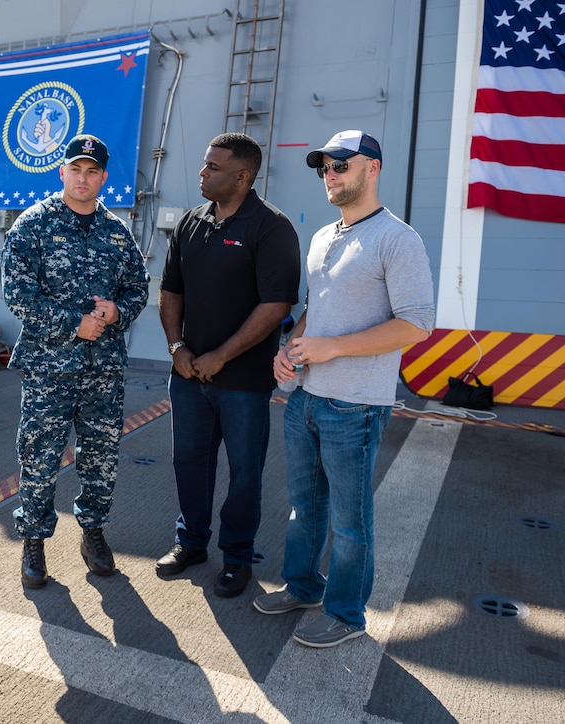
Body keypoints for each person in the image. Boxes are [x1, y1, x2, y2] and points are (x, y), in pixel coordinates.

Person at [252, 130, 434, 648]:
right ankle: (304, 585)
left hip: (355, 405)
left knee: (350, 521)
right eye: (323, 167)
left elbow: (418, 323)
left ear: (371, 168)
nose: (329, 174)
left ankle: (348, 614)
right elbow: (318, 310)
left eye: (340, 164)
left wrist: (334, 348)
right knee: (304, 507)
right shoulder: (325, 237)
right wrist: (291, 346)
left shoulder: (398, 239)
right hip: (306, 397)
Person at [156, 133, 301, 598]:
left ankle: (237, 556)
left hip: (242, 381)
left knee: (244, 472)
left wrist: (221, 356)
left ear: (242, 176)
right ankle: (191, 543)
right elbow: (170, 291)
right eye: (204, 165)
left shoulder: (271, 228)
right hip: (188, 376)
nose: (202, 174)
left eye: (212, 168)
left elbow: (276, 305)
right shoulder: (190, 224)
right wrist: (177, 348)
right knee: (188, 462)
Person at [2, 134, 149, 589]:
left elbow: (138, 287)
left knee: (101, 456)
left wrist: (118, 311)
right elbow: (18, 294)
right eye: (76, 169)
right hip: (50, 367)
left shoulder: (117, 232)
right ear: (62, 172)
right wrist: (74, 323)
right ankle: (34, 544)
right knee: (40, 456)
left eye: (92, 171)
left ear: (104, 178)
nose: (83, 178)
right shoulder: (33, 225)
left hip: (103, 368)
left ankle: (94, 534)